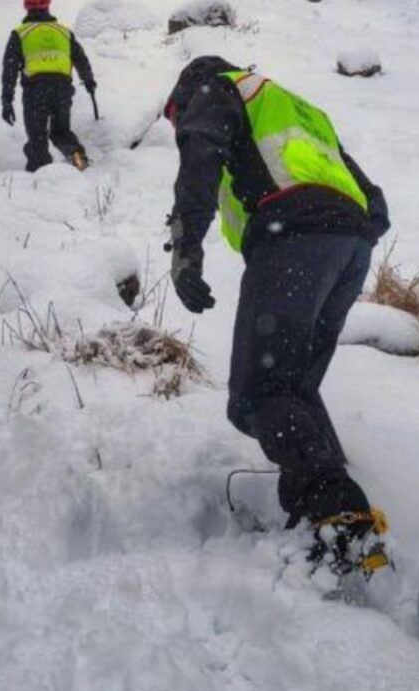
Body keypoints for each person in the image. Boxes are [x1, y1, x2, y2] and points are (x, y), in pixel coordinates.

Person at [163, 56, 394, 599]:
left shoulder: (219, 90)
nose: (181, 122)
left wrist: (186, 250)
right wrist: (339, 238)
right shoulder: (297, 107)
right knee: (292, 389)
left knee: (260, 392)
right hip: (349, 248)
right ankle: (338, 517)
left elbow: (200, 156)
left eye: (177, 113)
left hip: (293, 236)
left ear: (191, 87)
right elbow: (375, 203)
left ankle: (340, 515)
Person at [0, 0, 96, 172]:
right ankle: (80, 163)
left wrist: (7, 100)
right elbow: (81, 60)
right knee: (61, 132)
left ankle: (41, 181)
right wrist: (89, 82)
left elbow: (10, 69)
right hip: (62, 90)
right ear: (48, 6)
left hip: (35, 91)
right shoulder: (64, 32)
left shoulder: (20, 34)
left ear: (26, 7)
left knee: (37, 138)